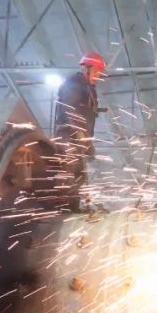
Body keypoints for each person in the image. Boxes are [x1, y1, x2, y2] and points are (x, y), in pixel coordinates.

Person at [53, 52, 105, 211]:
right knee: (69, 172)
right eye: (96, 71)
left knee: (80, 176)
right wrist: (82, 135)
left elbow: (85, 113)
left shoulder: (88, 87)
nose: (98, 75)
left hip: (77, 137)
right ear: (85, 68)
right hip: (67, 135)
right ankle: (65, 208)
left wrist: (87, 142)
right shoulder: (74, 83)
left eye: (99, 72)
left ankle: (75, 207)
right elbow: (70, 109)